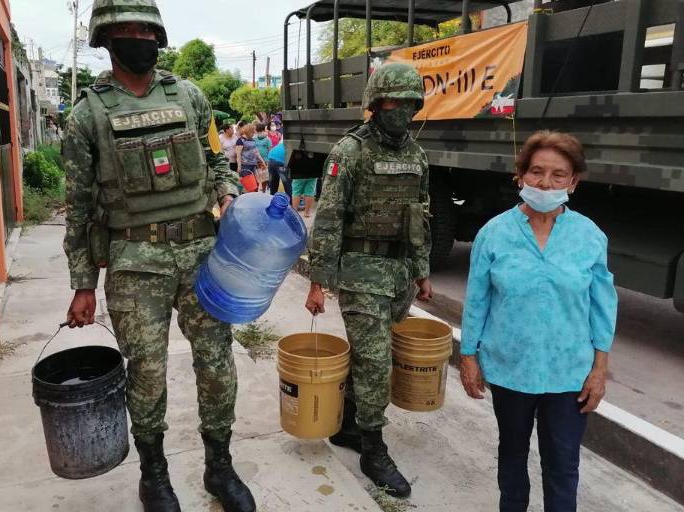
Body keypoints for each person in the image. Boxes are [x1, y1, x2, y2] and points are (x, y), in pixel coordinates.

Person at [62, 2, 256, 511]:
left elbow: (218, 161)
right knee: (146, 373)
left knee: (217, 362)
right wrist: (83, 283)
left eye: (146, 30)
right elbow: (79, 207)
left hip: (200, 253)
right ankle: (155, 475)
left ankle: (220, 467)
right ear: (106, 39)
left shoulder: (189, 96)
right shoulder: (87, 115)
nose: (139, 37)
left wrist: (230, 193)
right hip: (134, 260)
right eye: (127, 30)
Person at [459, 131, 618, 512]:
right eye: (536, 172)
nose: (545, 183)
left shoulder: (589, 236)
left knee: (563, 465)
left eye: (558, 175)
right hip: (510, 368)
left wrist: (599, 370)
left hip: (569, 374)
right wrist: (468, 356)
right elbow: (478, 299)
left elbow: (602, 306)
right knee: (511, 455)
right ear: (521, 177)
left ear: (574, 182)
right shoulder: (494, 234)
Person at [304, 62, 433, 498]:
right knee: (376, 362)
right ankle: (374, 449)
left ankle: (346, 426)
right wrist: (318, 281)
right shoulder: (350, 152)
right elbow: (328, 220)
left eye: (409, 102)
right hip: (360, 272)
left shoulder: (416, 155)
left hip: (397, 274)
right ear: (376, 105)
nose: (402, 110)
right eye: (393, 102)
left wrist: (422, 271)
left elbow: (420, 217)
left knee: (370, 356)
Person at [235, 123, 265, 192]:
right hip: (245, 165)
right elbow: (238, 154)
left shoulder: (252, 140)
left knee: (256, 185)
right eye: (252, 132)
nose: (253, 134)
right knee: (249, 186)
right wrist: (239, 166)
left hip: (253, 165)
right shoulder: (240, 141)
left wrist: (262, 161)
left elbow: (256, 152)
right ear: (248, 131)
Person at [253, 123, 273, 192]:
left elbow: (270, 150)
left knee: (264, 177)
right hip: (256, 161)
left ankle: (263, 191)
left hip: (265, 161)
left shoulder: (267, 139)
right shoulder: (254, 138)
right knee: (257, 176)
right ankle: (258, 190)